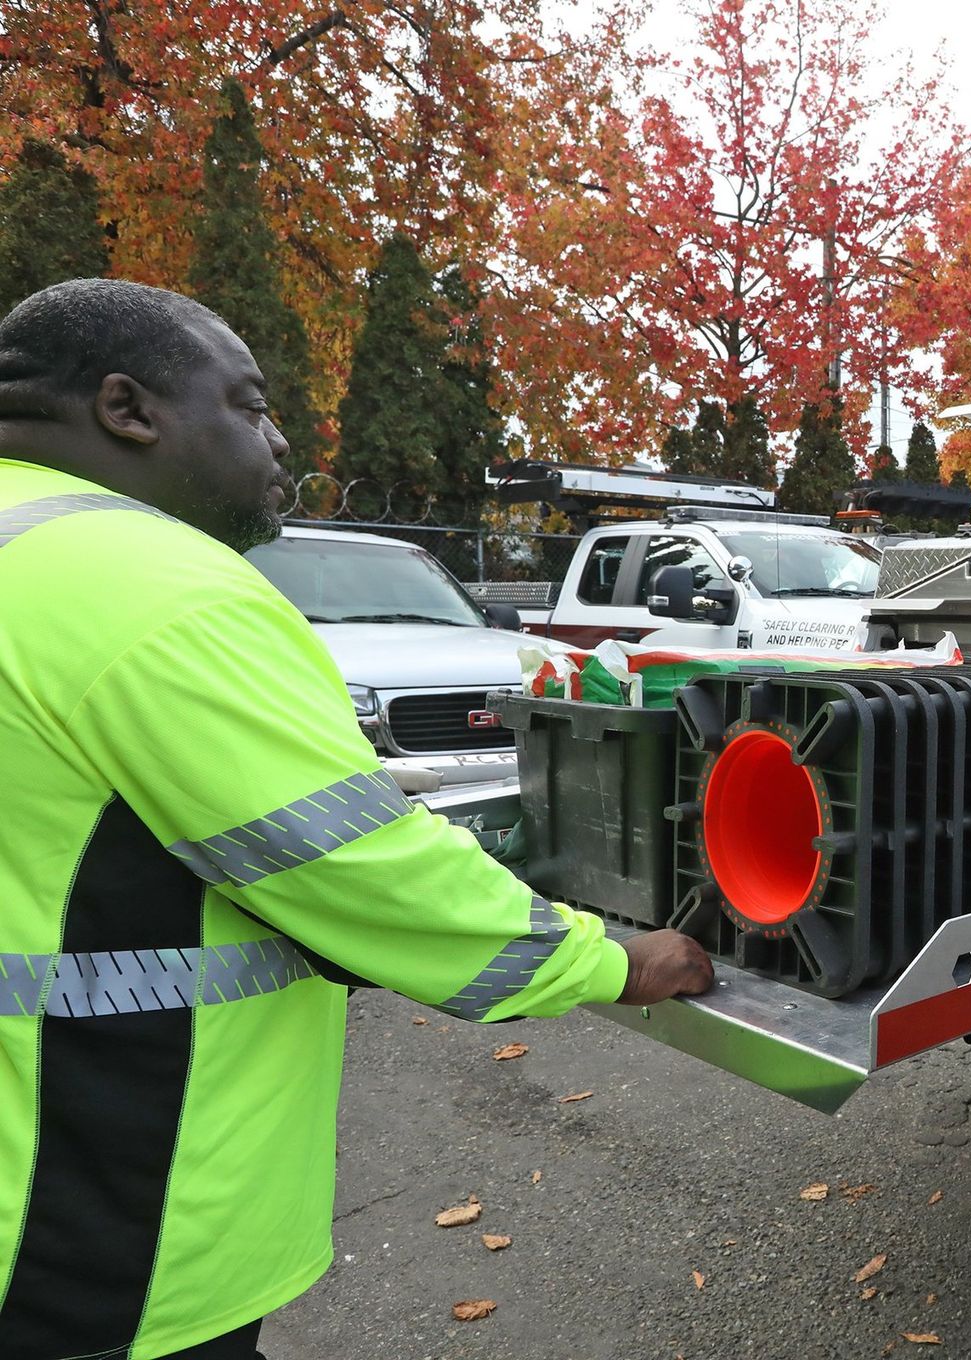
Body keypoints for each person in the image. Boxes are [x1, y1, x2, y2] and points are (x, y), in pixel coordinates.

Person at [0, 279, 715, 1359]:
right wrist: (618, 959)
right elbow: (361, 868)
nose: (280, 441)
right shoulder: (147, 583)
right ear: (127, 409)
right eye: (249, 406)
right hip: (93, 1211)